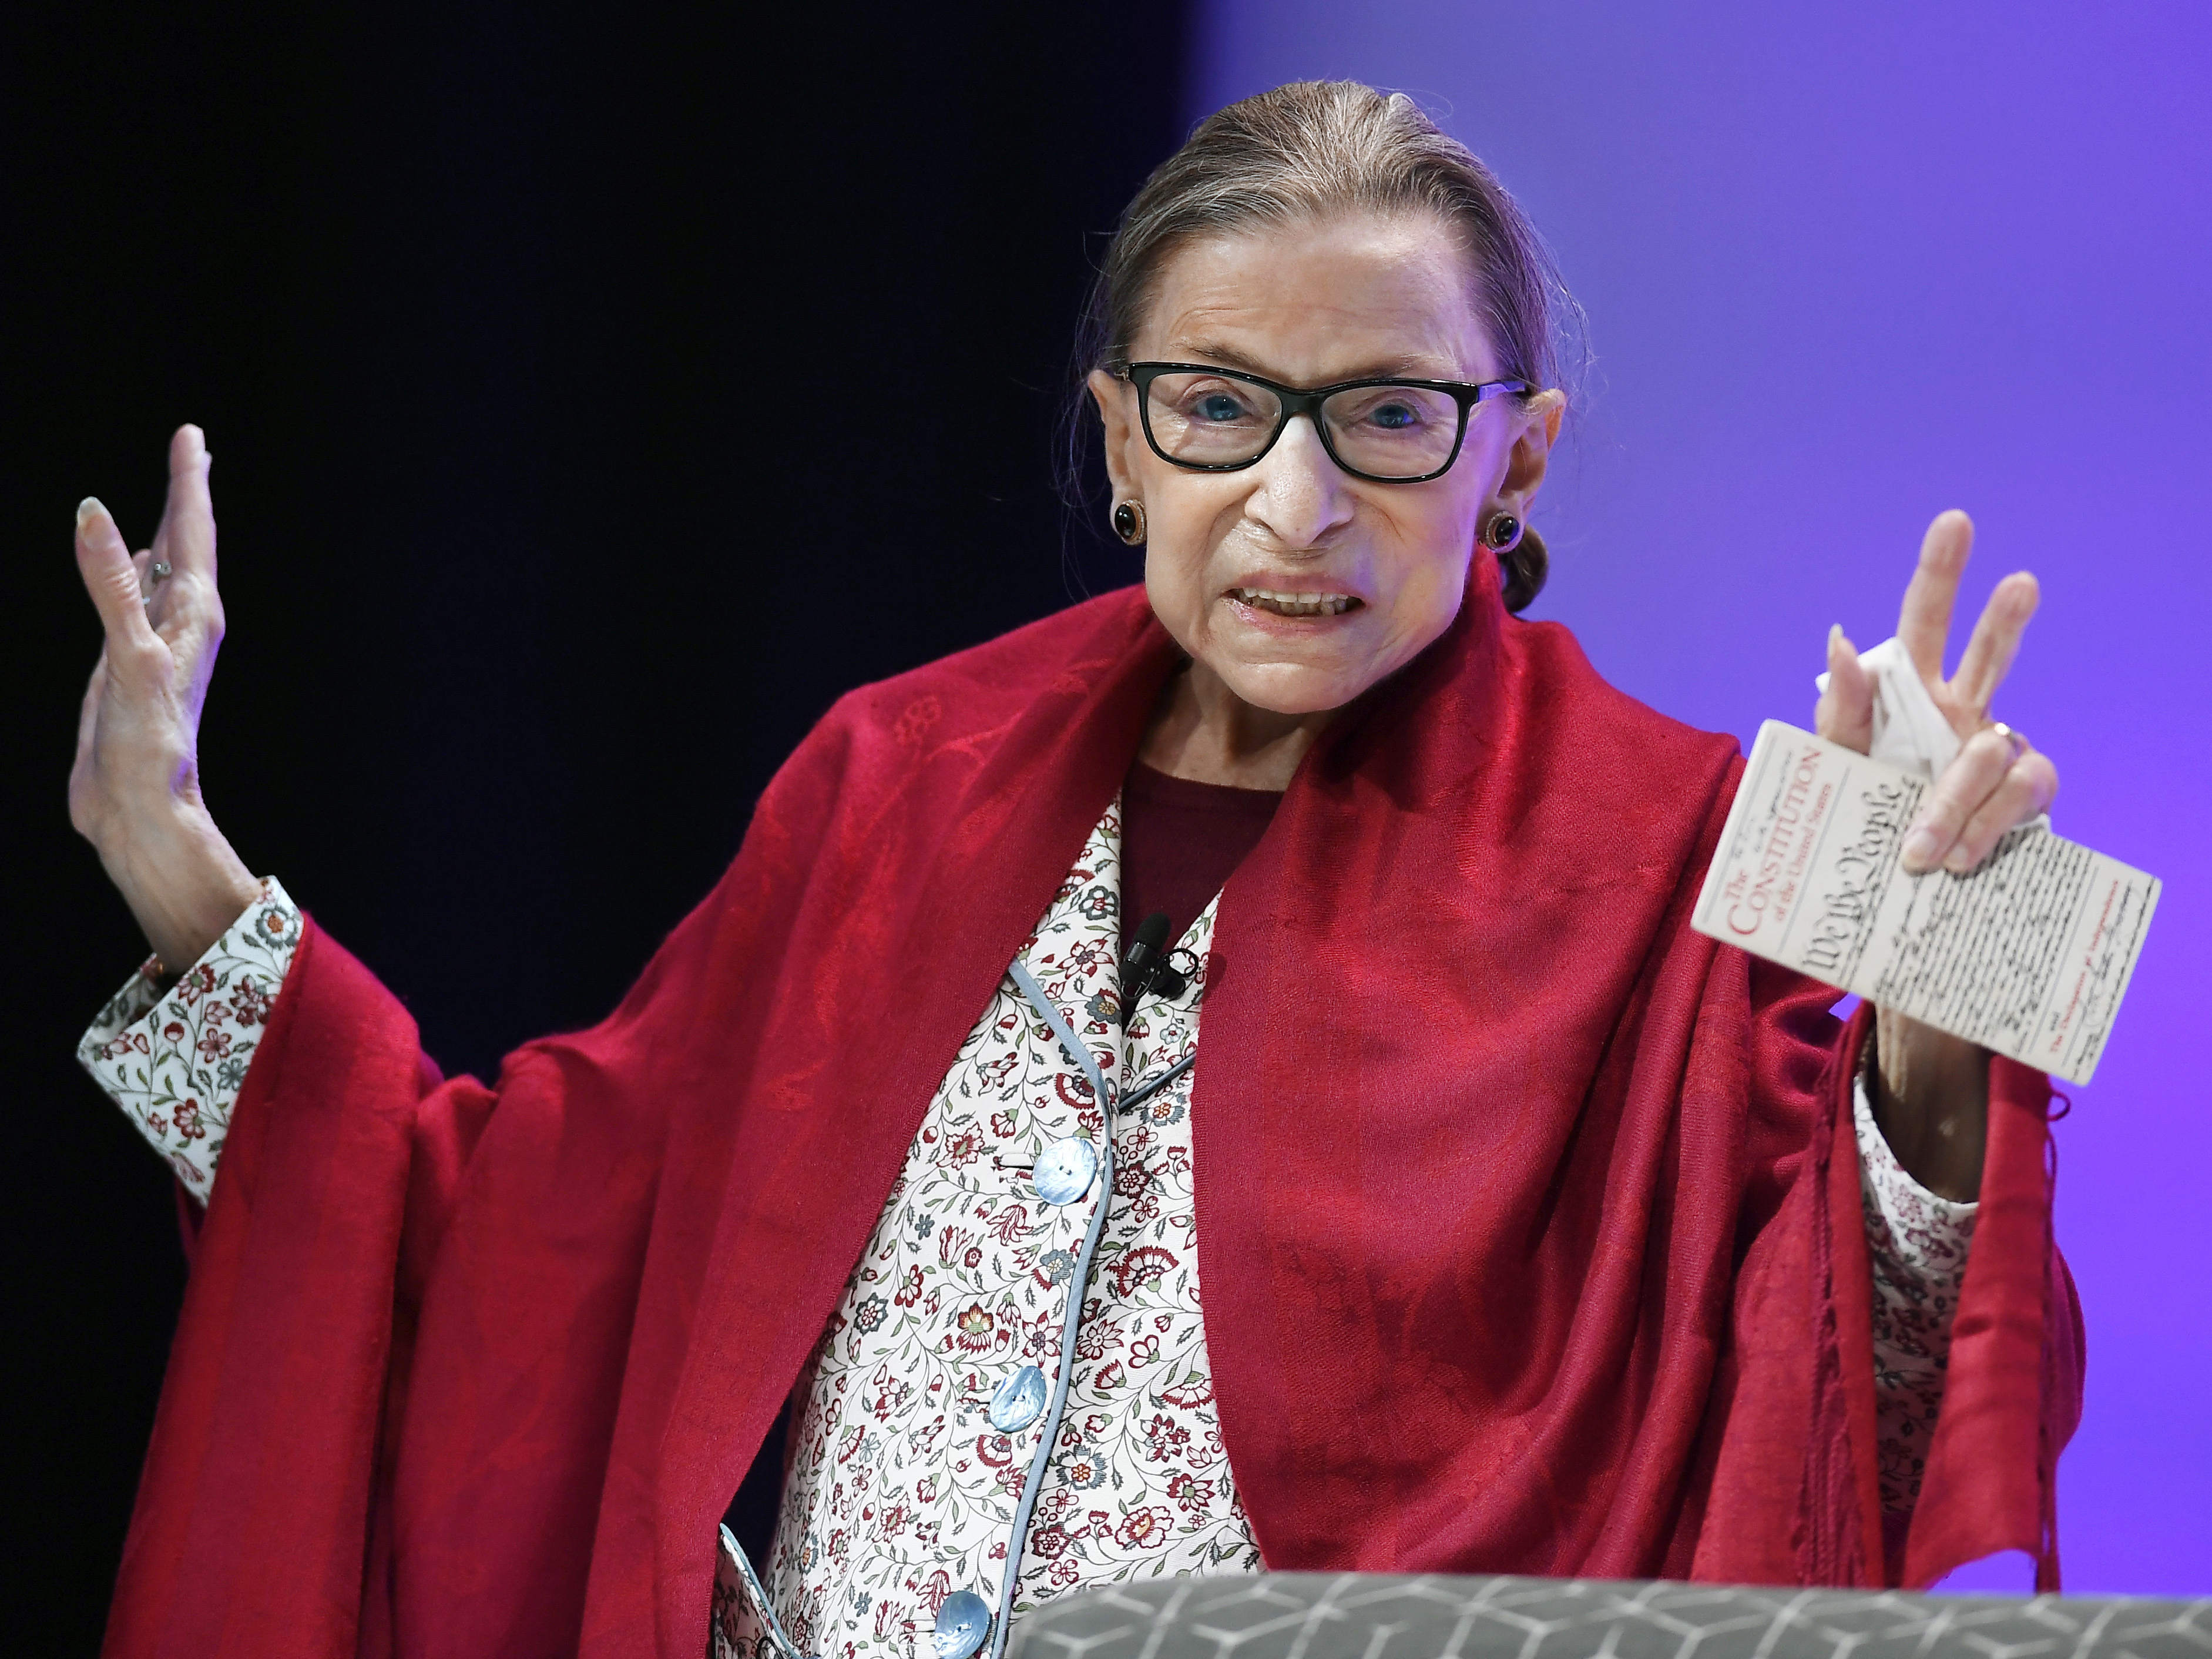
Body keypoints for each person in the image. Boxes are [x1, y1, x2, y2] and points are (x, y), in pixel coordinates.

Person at [68, 82, 2079, 1659]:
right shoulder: (897, 783)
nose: (1297, 502)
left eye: (1388, 417)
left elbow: (1847, 1386)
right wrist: (176, 865)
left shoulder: (1687, 837)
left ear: (1517, 455)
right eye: (1218, 411)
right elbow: (515, 1246)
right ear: (1123, 443)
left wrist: (1951, 989)